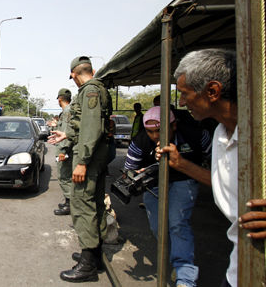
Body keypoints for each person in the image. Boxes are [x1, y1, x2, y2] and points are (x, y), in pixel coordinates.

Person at [155, 49, 264, 287]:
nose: (181, 103)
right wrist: (181, 164)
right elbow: (225, 184)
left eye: (184, 94)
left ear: (212, 91)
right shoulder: (221, 134)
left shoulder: (260, 134)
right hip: (239, 269)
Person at [125, 106, 211, 287]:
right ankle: (176, 259)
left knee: (178, 223)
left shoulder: (196, 136)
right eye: (150, 132)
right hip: (153, 184)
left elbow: (216, 162)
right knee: (158, 227)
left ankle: (185, 275)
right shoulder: (139, 142)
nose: (156, 136)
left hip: (185, 180)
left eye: (160, 131)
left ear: (174, 126)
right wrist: (137, 174)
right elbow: (128, 172)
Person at [50, 56, 112, 282]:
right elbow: (89, 125)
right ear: (92, 70)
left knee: (83, 206)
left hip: (88, 158)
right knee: (94, 205)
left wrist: (82, 162)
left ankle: (87, 265)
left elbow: (91, 128)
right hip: (95, 156)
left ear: (74, 75)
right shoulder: (96, 89)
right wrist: (66, 134)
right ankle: (93, 255)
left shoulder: (90, 91)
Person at [53, 88, 74, 216]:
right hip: (66, 149)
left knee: (64, 177)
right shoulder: (68, 110)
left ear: (60, 98)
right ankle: (68, 201)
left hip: (64, 150)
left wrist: (63, 152)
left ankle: (69, 205)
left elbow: (66, 133)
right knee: (66, 176)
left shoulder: (67, 112)